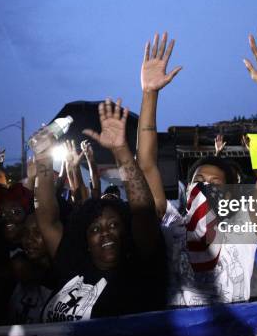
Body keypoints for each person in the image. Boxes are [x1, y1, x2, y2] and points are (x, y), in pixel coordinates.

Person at [135, 29, 257, 306]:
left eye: (214, 183)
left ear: (230, 194)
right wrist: (149, 95)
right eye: (198, 179)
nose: (204, 186)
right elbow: (145, 166)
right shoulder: (173, 225)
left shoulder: (243, 229)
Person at [31, 98, 166, 321]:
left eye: (114, 225)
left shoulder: (139, 269)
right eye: (94, 229)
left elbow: (143, 210)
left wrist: (121, 150)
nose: (105, 232)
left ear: (127, 232)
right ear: (84, 240)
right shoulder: (72, 264)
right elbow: (46, 218)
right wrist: (43, 159)